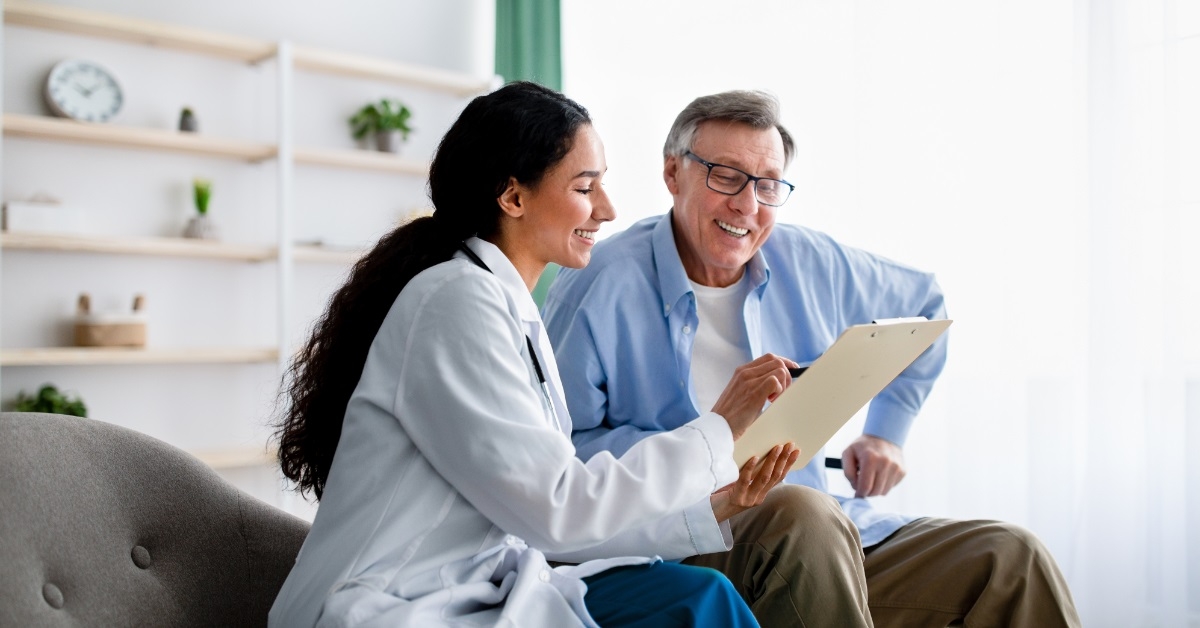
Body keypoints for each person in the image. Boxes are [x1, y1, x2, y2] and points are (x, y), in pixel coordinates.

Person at [267, 82, 803, 628]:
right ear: (514, 197)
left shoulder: (506, 306)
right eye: (585, 187)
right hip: (386, 607)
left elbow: (544, 518)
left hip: (472, 587)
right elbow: (558, 509)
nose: (607, 209)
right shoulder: (456, 301)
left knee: (697, 595)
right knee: (699, 602)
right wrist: (717, 429)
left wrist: (715, 506)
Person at [543, 89, 1081, 627]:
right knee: (802, 513)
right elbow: (562, 459)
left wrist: (886, 433)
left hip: (827, 536)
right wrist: (709, 448)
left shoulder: (811, 261)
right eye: (725, 177)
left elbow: (925, 305)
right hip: (687, 538)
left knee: (1010, 558)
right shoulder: (598, 284)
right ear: (672, 173)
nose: (748, 205)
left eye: (767, 185)